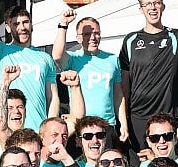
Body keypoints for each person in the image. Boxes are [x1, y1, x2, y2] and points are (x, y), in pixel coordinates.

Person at [119, 0, 178, 151]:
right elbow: (124, 86)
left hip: (167, 117)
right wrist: (124, 120)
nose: (152, 7)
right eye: (148, 4)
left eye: (156, 3)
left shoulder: (175, 36)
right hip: (137, 117)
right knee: (141, 166)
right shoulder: (130, 40)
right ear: (141, 9)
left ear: (163, 6)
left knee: (167, 165)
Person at [0, 0, 59, 132]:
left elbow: (53, 98)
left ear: (31, 25)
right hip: (10, 131)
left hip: (39, 132)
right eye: (16, 23)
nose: (22, 27)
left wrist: (50, 129)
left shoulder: (44, 57)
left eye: (25, 22)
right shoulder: (1, 51)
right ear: (7, 27)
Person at [52, 9, 125, 138]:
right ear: (78, 38)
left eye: (96, 33)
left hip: (107, 125)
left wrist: (123, 124)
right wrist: (63, 25)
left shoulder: (113, 59)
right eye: (87, 34)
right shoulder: (73, 59)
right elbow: (57, 56)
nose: (92, 37)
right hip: (80, 125)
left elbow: (118, 95)